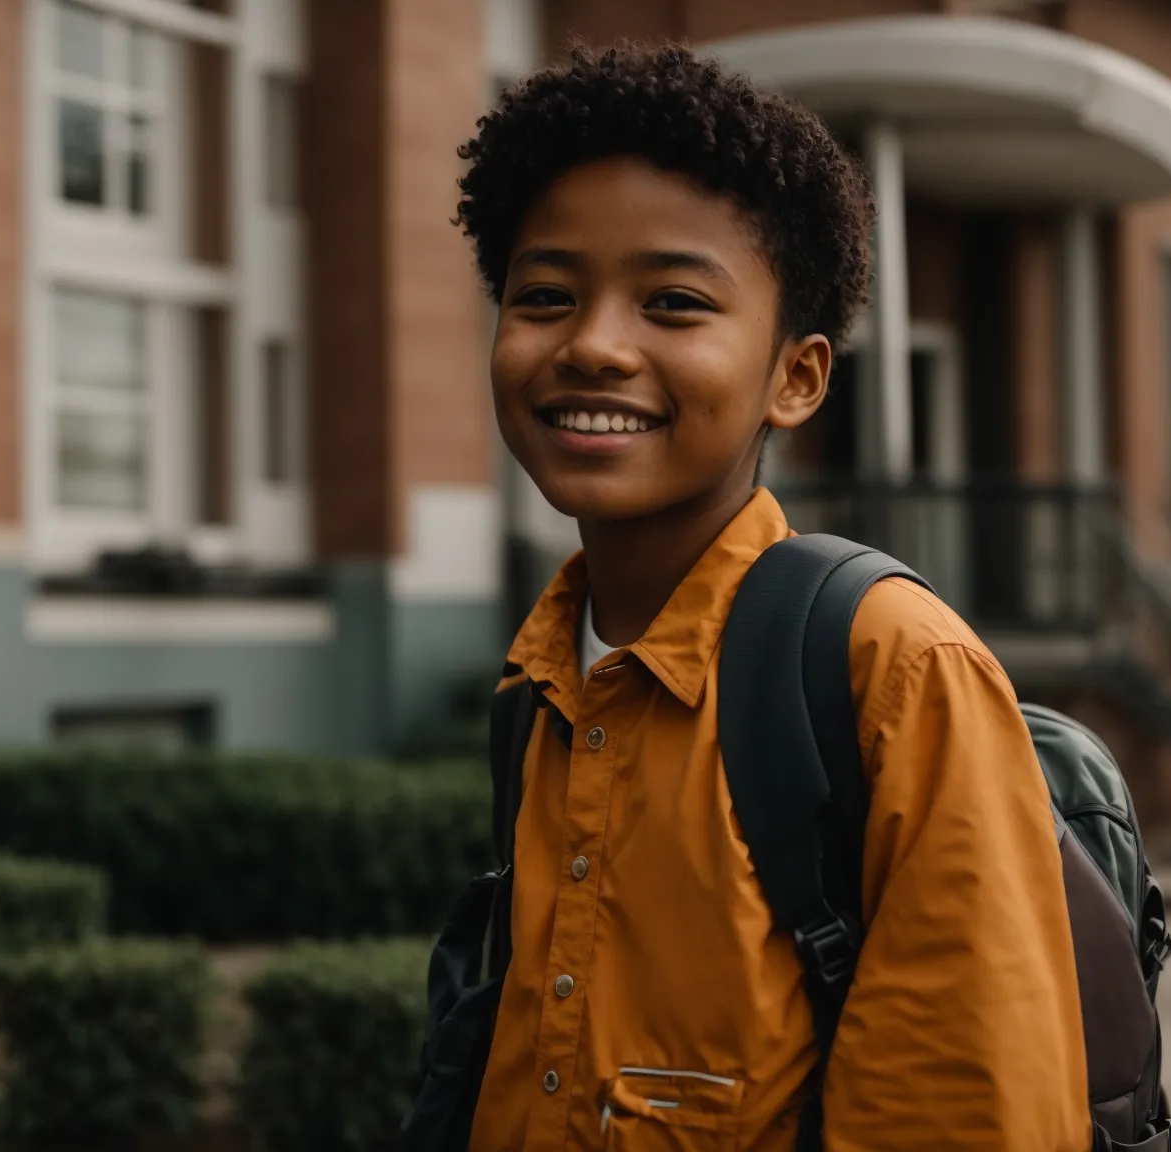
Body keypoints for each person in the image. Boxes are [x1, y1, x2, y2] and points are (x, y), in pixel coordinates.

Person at [455, 42, 1088, 1151]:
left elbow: (962, 1116)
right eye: (544, 295)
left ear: (793, 377)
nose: (593, 345)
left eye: (673, 303)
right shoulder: (541, 681)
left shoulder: (886, 666)